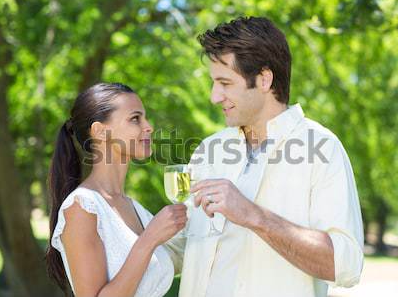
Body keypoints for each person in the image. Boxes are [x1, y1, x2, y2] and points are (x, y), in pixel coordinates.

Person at [179, 17, 364, 297]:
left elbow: (345, 265)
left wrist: (254, 215)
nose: (214, 96)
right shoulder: (209, 150)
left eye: (225, 83)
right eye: (214, 82)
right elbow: (179, 247)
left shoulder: (322, 149)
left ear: (264, 79)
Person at [45, 83, 187, 297]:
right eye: (135, 119)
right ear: (100, 132)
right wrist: (149, 240)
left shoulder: (134, 208)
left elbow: (177, 259)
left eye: (144, 117)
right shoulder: (82, 208)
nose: (148, 127)